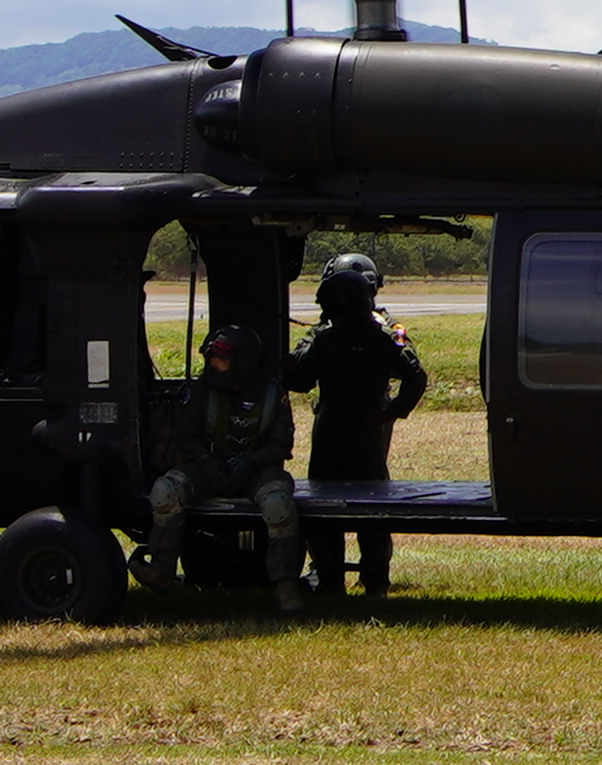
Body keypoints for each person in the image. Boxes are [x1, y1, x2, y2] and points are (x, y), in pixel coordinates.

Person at [282, 252, 428, 597]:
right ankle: (331, 580)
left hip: (365, 430)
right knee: (323, 507)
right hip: (331, 427)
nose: (335, 318)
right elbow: (303, 379)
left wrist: (392, 412)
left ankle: (374, 582)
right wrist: (282, 364)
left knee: (373, 509)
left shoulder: (383, 337)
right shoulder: (326, 338)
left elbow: (416, 376)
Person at [144, 318, 305, 613]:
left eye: (221, 361)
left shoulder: (273, 394)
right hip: (208, 468)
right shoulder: (200, 391)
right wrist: (205, 462)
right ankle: (162, 570)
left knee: (278, 505)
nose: (213, 366)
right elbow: (187, 438)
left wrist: (250, 464)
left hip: (257, 471)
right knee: (165, 492)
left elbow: (280, 445)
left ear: (243, 364)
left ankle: (285, 586)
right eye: (212, 360)